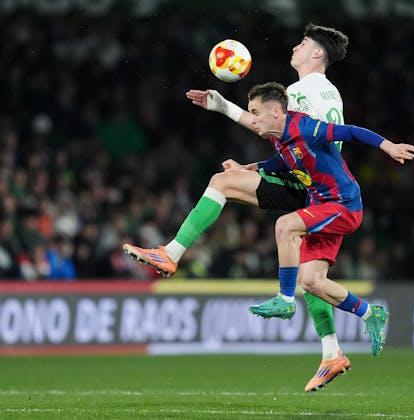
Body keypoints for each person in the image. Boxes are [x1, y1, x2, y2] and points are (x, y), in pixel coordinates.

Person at [124, 24, 359, 392]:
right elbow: (297, 144)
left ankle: (171, 254)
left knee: (222, 183)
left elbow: (267, 126)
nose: (295, 47)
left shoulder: (301, 90)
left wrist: (223, 107)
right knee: (311, 276)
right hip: (321, 191)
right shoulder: (330, 92)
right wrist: (254, 165)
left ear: (317, 53)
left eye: (303, 43)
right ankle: (331, 353)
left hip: (306, 187)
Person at [243, 82, 414, 356]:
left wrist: (388, 146)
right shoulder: (277, 138)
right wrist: (247, 168)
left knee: (284, 225)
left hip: (343, 205)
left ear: (276, 111)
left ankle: (285, 299)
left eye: (255, 112)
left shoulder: (305, 127)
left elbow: (351, 131)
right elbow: (280, 162)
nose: (252, 119)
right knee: (311, 281)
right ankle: (370, 313)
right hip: (322, 207)